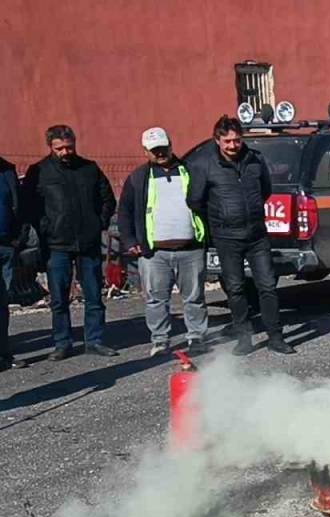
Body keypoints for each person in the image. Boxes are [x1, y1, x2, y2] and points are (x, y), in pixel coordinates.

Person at [187, 116, 294, 356]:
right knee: (235, 288)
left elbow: (265, 190)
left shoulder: (255, 160)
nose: (233, 146)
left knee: (267, 285)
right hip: (226, 237)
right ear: (217, 140)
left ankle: (275, 337)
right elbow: (195, 200)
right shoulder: (205, 165)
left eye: (236, 140)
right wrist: (219, 218)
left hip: (257, 234)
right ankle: (244, 337)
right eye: (227, 141)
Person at [23, 124, 117, 360]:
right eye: (60, 148)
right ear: (50, 147)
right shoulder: (39, 171)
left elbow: (107, 198)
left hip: (89, 243)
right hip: (57, 246)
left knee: (94, 296)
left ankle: (94, 340)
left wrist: (99, 223)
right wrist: (45, 228)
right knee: (59, 299)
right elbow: (29, 206)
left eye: (69, 147)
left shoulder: (89, 169)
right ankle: (62, 343)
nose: (66, 152)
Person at [118, 127, 209, 357]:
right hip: (154, 252)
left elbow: (208, 203)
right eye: (154, 150)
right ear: (146, 152)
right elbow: (125, 212)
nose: (160, 153)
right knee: (156, 300)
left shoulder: (192, 171)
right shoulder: (138, 178)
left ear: (171, 144)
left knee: (194, 297)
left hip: (191, 248)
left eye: (163, 148)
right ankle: (160, 340)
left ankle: (196, 337)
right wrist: (130, 240)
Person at [0, 154, 26, 370]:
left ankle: (3, 354)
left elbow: (18, 205)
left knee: (2, 303)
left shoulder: (6, 171)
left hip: (5, 245)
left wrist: (17, 239)